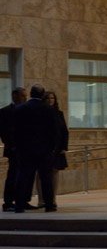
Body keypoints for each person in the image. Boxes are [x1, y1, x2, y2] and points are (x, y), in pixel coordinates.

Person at [13, 84, 60, 213]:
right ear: (42, 95)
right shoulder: (48, 109)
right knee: (46, 178)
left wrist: (17, 147)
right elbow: (54, 131)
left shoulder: (21, 108)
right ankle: (49, 204)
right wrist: (52, 148)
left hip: (25, 150)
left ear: (31, 94)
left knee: (23, 176)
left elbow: (15, 131)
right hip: (44, 150)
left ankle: (19, 205)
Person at [35, 91, 69, 207]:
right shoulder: (39, 113)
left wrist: (64, 147)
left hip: (57, 147)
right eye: (48, 98)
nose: (50, 100)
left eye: (52, 98)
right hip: (43, 147)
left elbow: (64, 131)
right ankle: (41, 200)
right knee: (40, 173)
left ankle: (53, 199)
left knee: (55, 171)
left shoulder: (59, 113)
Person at [1, 87, 28, 212]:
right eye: (23, 96)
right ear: (15, 96)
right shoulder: (5, 111)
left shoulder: (26, 110)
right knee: (13, 175)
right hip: (13, 149)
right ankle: (8, 202)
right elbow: (3, 132)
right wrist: (11, 145)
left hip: (26, 149)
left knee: (24, 175)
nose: (25, 98)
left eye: (25, 96)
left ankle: (22, 200)